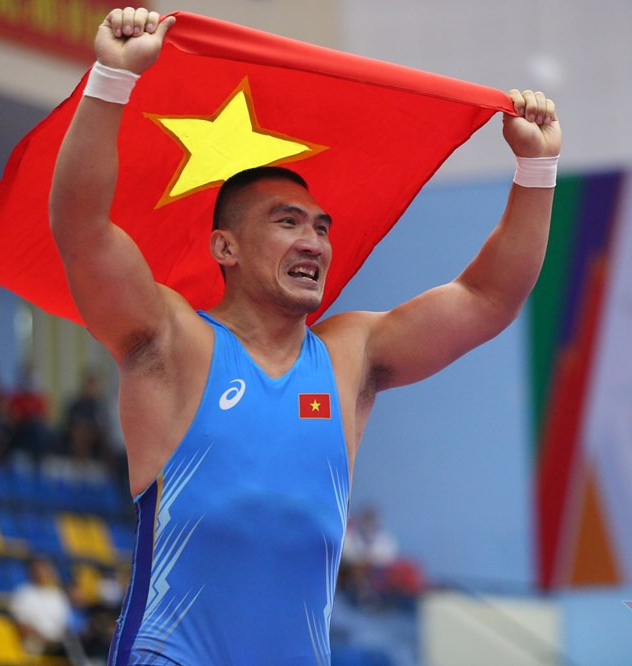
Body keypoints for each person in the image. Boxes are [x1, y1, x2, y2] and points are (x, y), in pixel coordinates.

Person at [49, 7, 559, 665]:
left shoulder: (351, 356)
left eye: (321, 228)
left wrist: (537, 170)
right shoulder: (170, 342)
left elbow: (487, 299)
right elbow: (82, 230)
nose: (314, 242)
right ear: (225, 247)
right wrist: (113, 78)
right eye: (287, 222)